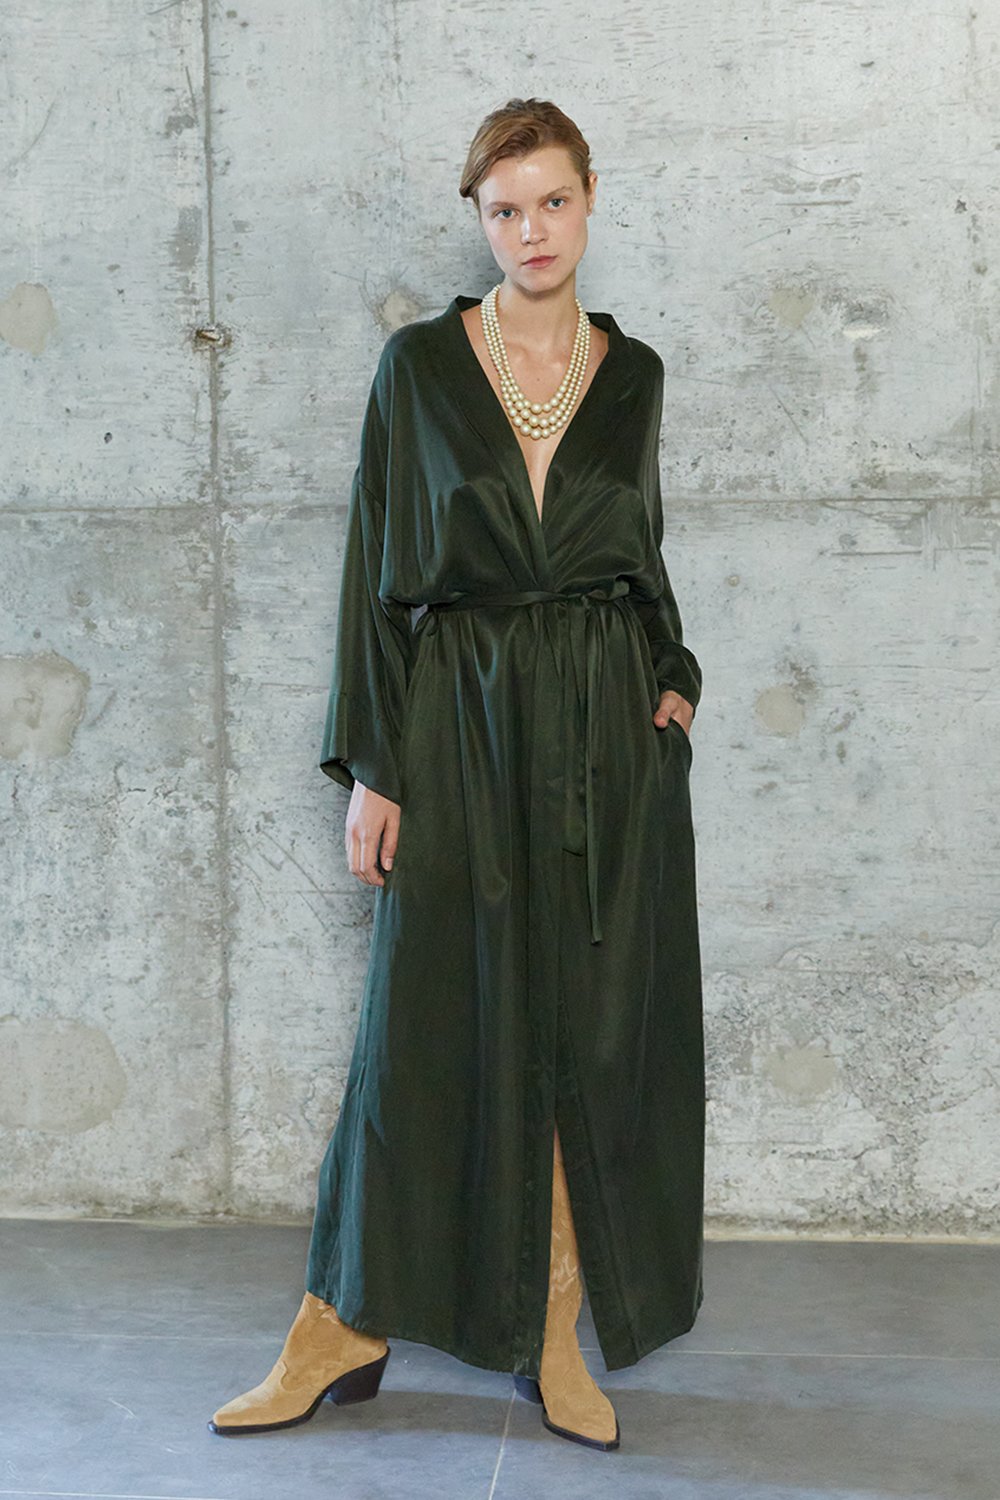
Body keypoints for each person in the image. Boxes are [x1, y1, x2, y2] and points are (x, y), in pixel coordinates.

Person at [209, 97, 705, 1455]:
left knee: (584, 1038)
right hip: (460, 717)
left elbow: (642, 553)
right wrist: (378, 766)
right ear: (479, 220)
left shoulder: (635, 374)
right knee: (420, 1034)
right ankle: (339, 1324)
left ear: (590, 200)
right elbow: (377, 569)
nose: (531, 230)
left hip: (604, 735)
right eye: (505, 209)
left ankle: (553, 1330)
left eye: (553, 201)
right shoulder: (422, 367)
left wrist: (673, 677)